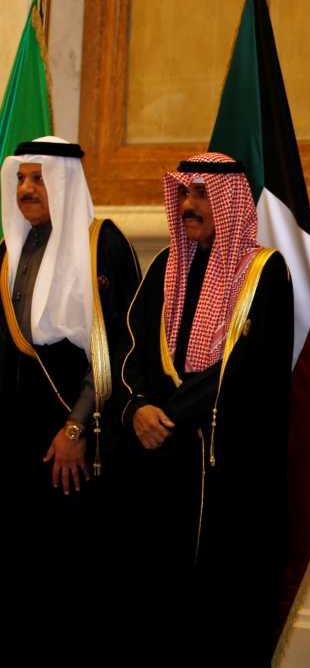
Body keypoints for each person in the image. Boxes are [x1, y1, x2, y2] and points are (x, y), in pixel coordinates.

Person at [119, 153, 292, 660]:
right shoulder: (164, 268)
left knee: (221, 609)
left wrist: (169, 415)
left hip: (226, 471)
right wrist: (138, 408)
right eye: (184, 193)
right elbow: (132, 348)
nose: (189, 205)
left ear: (228, 201)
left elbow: (250, 370)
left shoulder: (264, 273)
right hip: (160, 463)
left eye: (201, 194)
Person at [1, 137, 140, 653]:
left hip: (77, 431)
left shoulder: (102, 245)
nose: (26, 189)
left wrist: (77, 427)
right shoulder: (11, 250)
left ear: (63, 182)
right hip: (20, 428)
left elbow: (119, 347)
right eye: (21, 178)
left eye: (38, 179)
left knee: (73, 562)